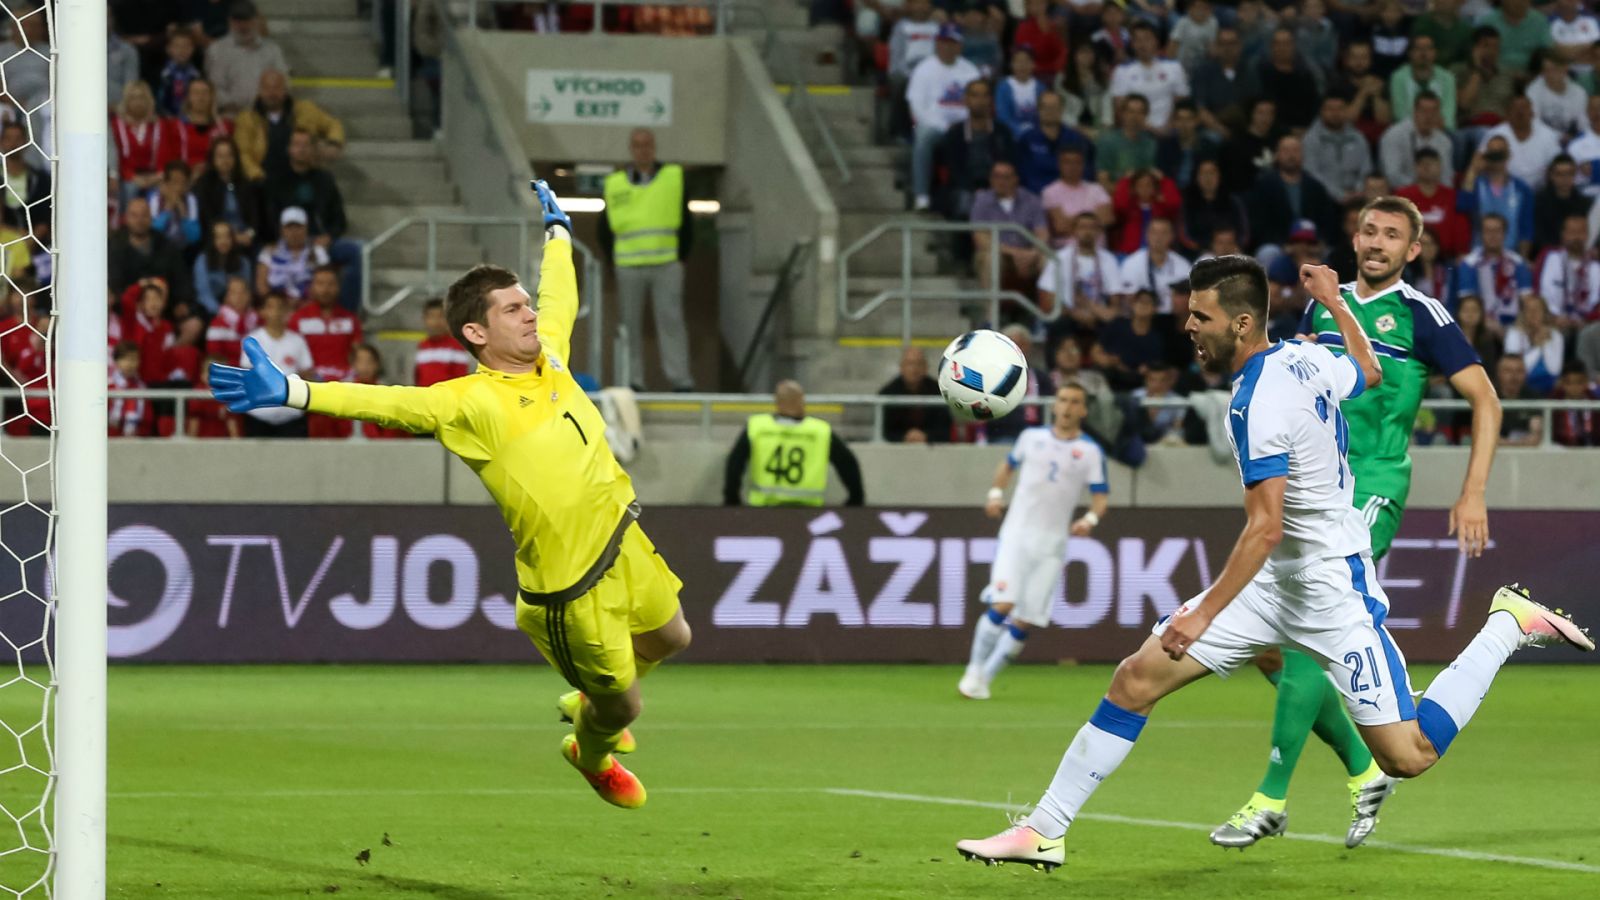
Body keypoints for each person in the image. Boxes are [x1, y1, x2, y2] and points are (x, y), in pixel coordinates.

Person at [953, 253, 1591, 873]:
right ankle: (1043, 830)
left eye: (1199, 316)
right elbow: (1367, 372)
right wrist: (1338, 304)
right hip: (1273, 585)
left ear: (1238, 323)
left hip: (1330, 589)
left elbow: (1263, 528)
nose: (1188, 328)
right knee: (1134, 680)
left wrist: (1202, 615)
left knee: (1409, 755)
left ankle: (1507, 624)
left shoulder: (1256, 402)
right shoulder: (1305, 355)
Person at [212, 182, 692, 808]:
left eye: (526, 305)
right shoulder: (466, 402)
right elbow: (387, 403)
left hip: (621, 541)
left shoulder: (552, 358)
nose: (530, 315)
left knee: (673, 637)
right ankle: (590, 750)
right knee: (625, 703)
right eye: (513, 310)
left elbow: (561, 295)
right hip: (568, 589)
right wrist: (298, 392)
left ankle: (589, 700)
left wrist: (559, 235)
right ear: (475, 331)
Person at [1210, 196, 1506, 849]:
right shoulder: (1322, 302)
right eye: (1369, 230)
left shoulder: (1422, 315)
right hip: (1319, 484)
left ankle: (1270, 798)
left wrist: (1474, 491)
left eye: (1391, 235)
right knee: (1270, 651)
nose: (1376, 242)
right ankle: (1364, 767)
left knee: (1307, 625)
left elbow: (1485, 399)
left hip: (1372, 486)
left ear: (1412, 250)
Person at [958, 384, 1109, 701]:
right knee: (1004, 603)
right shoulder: (1031, 439)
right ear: (1054, 405)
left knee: (1025, 620)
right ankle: (973, 670)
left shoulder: (1090, 452)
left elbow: (1100, 496)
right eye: (1063, 400)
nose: (1067, 407)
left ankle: (985, 678)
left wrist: (1090, 519)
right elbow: (1007, 466)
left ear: (1083, 410)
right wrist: (996, 494)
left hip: (1052, 545)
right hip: (1016, 536)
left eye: (1075, 402)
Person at [598, 128, 695, 392]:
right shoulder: (616, 183)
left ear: (654, 147)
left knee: (671, 322)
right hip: (628, 265)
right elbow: (605, 227)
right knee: (629, 325)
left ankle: (680, 379)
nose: (643, 150)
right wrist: (611, 261)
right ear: (631, 148)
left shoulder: (673, 177)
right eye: (638, 145)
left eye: (647, 145)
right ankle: (634, 379)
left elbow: (687, 220)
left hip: (667, 263)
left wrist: (681, 257)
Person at [722, 379, 864, 507]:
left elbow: (735, 464)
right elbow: (848, 464)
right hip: (808, 511)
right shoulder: (820, 431)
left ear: (776, 402)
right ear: (801, 400)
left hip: (764, 510)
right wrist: (856, 499)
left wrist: (732, 500)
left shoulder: (756, 426)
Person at [906, 24, 981, 212]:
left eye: (952, 43)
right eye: (944, 42)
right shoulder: (924, 69)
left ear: (960, 46)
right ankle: (921, 195)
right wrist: (942, 126)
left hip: (964, 125)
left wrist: (961, 125)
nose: (947, 47)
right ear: (937, 44)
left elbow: (979, 102)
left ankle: (976, 193)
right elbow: (916, 108)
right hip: (934, 126)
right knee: (923, 138)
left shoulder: (970, 70)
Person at [234, 68, 347, 180]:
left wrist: (334, 143)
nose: (272, 93)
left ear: (285, 89)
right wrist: (257, 177)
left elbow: (333, 124)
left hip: (302, 176)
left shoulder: (305, 110)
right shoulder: (246, 119)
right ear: (259, 90)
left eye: (277, 87)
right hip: (265, 181)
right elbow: (243, 154)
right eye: (267, 88)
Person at [234, 290, 314, 438]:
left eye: (280, 307)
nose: (276, 312)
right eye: (271, 307)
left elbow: (307, 374)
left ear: (287, 311)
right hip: (258, 417)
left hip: (292, 416)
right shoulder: (252, 341)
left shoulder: (298, 341)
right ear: (262, 311)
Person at [970, 162, 1047, 290]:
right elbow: (981, 239)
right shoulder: (981, 201)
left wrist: (1032, 253)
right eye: (996, 177)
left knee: (1048, 260)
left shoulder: (1032, 200)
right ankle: (991, 309)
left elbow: (1042, 234)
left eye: (1006, 177)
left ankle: (1051, 309)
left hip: (1028, 253)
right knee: (991, 258)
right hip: (999, 253)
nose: (1000, 181)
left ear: (1015, 179)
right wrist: (1015, 253)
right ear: (990, 180)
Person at [207, 0, 290, 115]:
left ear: (256, 21)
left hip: (266, 114)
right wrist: (235, 106)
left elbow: (284, 81)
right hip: (231, 115)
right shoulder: (217, 50)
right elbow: (214, 86)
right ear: (230, 22)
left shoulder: (272, 50)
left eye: (247, 21)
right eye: (238, 21)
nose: (242, 26)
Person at [1455, 213, 1534, 326]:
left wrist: (1518, 327)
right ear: (1481, 234)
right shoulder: (1469, 264)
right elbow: (1468, 304)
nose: (1493, 235)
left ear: (1505, 234)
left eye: (1497, 231)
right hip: (1481, 325)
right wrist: (1490, 325)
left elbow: (1527, 300)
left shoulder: (1518, 262)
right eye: (1488, 231)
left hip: (1515, 325)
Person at [1109, 21, 1189, 132]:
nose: (1142, 45)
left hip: (1169, 129)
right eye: (1137, 40)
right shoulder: (1122, 70)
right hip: (1137, 131)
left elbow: (1181, 102)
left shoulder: (1174, 67)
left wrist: (1168, 126)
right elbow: (1120, 108)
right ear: (1132, 44)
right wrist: (1149, 129)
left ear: (1156, 41)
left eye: (1147, 39)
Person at [1302, 92, 1373, 203]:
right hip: (1323, 198)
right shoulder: (1311, 139)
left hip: (1356, 198)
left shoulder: (1358, 138)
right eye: (1330, 109)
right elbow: (1312, 173)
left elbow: (1366, 169)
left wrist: (1358, 191)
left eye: (1340, 109)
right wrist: (1339, 195)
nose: (1335, 114)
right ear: (1321, 111)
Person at [1378, 92, 1454, 189]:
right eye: (1424, 111)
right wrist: (1419, 191)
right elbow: (1392, 175)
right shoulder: (1394, 136)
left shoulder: (1445, 142)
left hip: (1432, 195)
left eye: (1433, 111)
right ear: (1415, 111)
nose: (1429, 116)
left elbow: (1446, 177)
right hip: (1400, 195)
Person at [878, 344, 951, 443]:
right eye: (910, 364)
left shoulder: (939, 392)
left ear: (926, 367)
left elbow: (945, 429)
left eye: (919, 364)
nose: (914, 369)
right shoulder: (887, 394)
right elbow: (885, 432)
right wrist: (904, 437)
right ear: (901, 367)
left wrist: (926, 437)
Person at [1536, 214, 1600, 326]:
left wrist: (1586, 320)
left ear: (1587, 235)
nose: (1576, 237)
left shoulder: (1595, 266)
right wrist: (1550, 317)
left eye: (1580, 232)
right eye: (1572, 232)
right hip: (1550, 320)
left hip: (1586, 323)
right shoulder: (1549, 257)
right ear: (1563, 235)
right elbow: (1536, 291)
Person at [256, 206, 330, 301]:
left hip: (309, 305)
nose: (294, 232)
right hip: (277, 306)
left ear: (306, 228)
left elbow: (326, 283)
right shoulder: (269, 252)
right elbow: (261, 286)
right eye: (289, 227)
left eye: (298, 227)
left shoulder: (317, 251)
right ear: (282, 230)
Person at [1388, 34, 1456, 130]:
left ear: (1435, 52)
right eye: (1418, 49)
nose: (1423, 53)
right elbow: (1400, 113)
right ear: (1410, 53)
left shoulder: (1447, 78)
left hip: (1441, 129)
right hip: (1407, 131)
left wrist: (1437, 127)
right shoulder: (1398, 77)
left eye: (1428, 49)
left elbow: (1448, 112)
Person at [1503, 293, 1565, 395]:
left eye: (1537, 309)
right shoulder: (1514, 334)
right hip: (1521, 386)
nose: (1533, 313)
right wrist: (1537, 346)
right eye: (1529, 310)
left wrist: (1544, 343)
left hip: (1550, 387)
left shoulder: (1555, 336)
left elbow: (1554, 370)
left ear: (1544, 313)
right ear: (1523, 313)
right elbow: (1515, 368)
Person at [193, 222, 252, 315]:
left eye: (227, 236)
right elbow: (204, 294)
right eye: (218, 237)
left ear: (233, 239)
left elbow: (246, 292)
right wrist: (223, 313)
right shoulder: (202, 260)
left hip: (238, 309)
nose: (223, 241)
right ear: (212, 240)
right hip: (209, 310)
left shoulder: (244, 262)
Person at [414, 297, 474, 387]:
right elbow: (418, 377)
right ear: (424, 319)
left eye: (441, 316)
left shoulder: (456, 346)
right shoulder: (422, 346)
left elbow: (461, 379)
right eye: (431, 317)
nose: (436, 322)